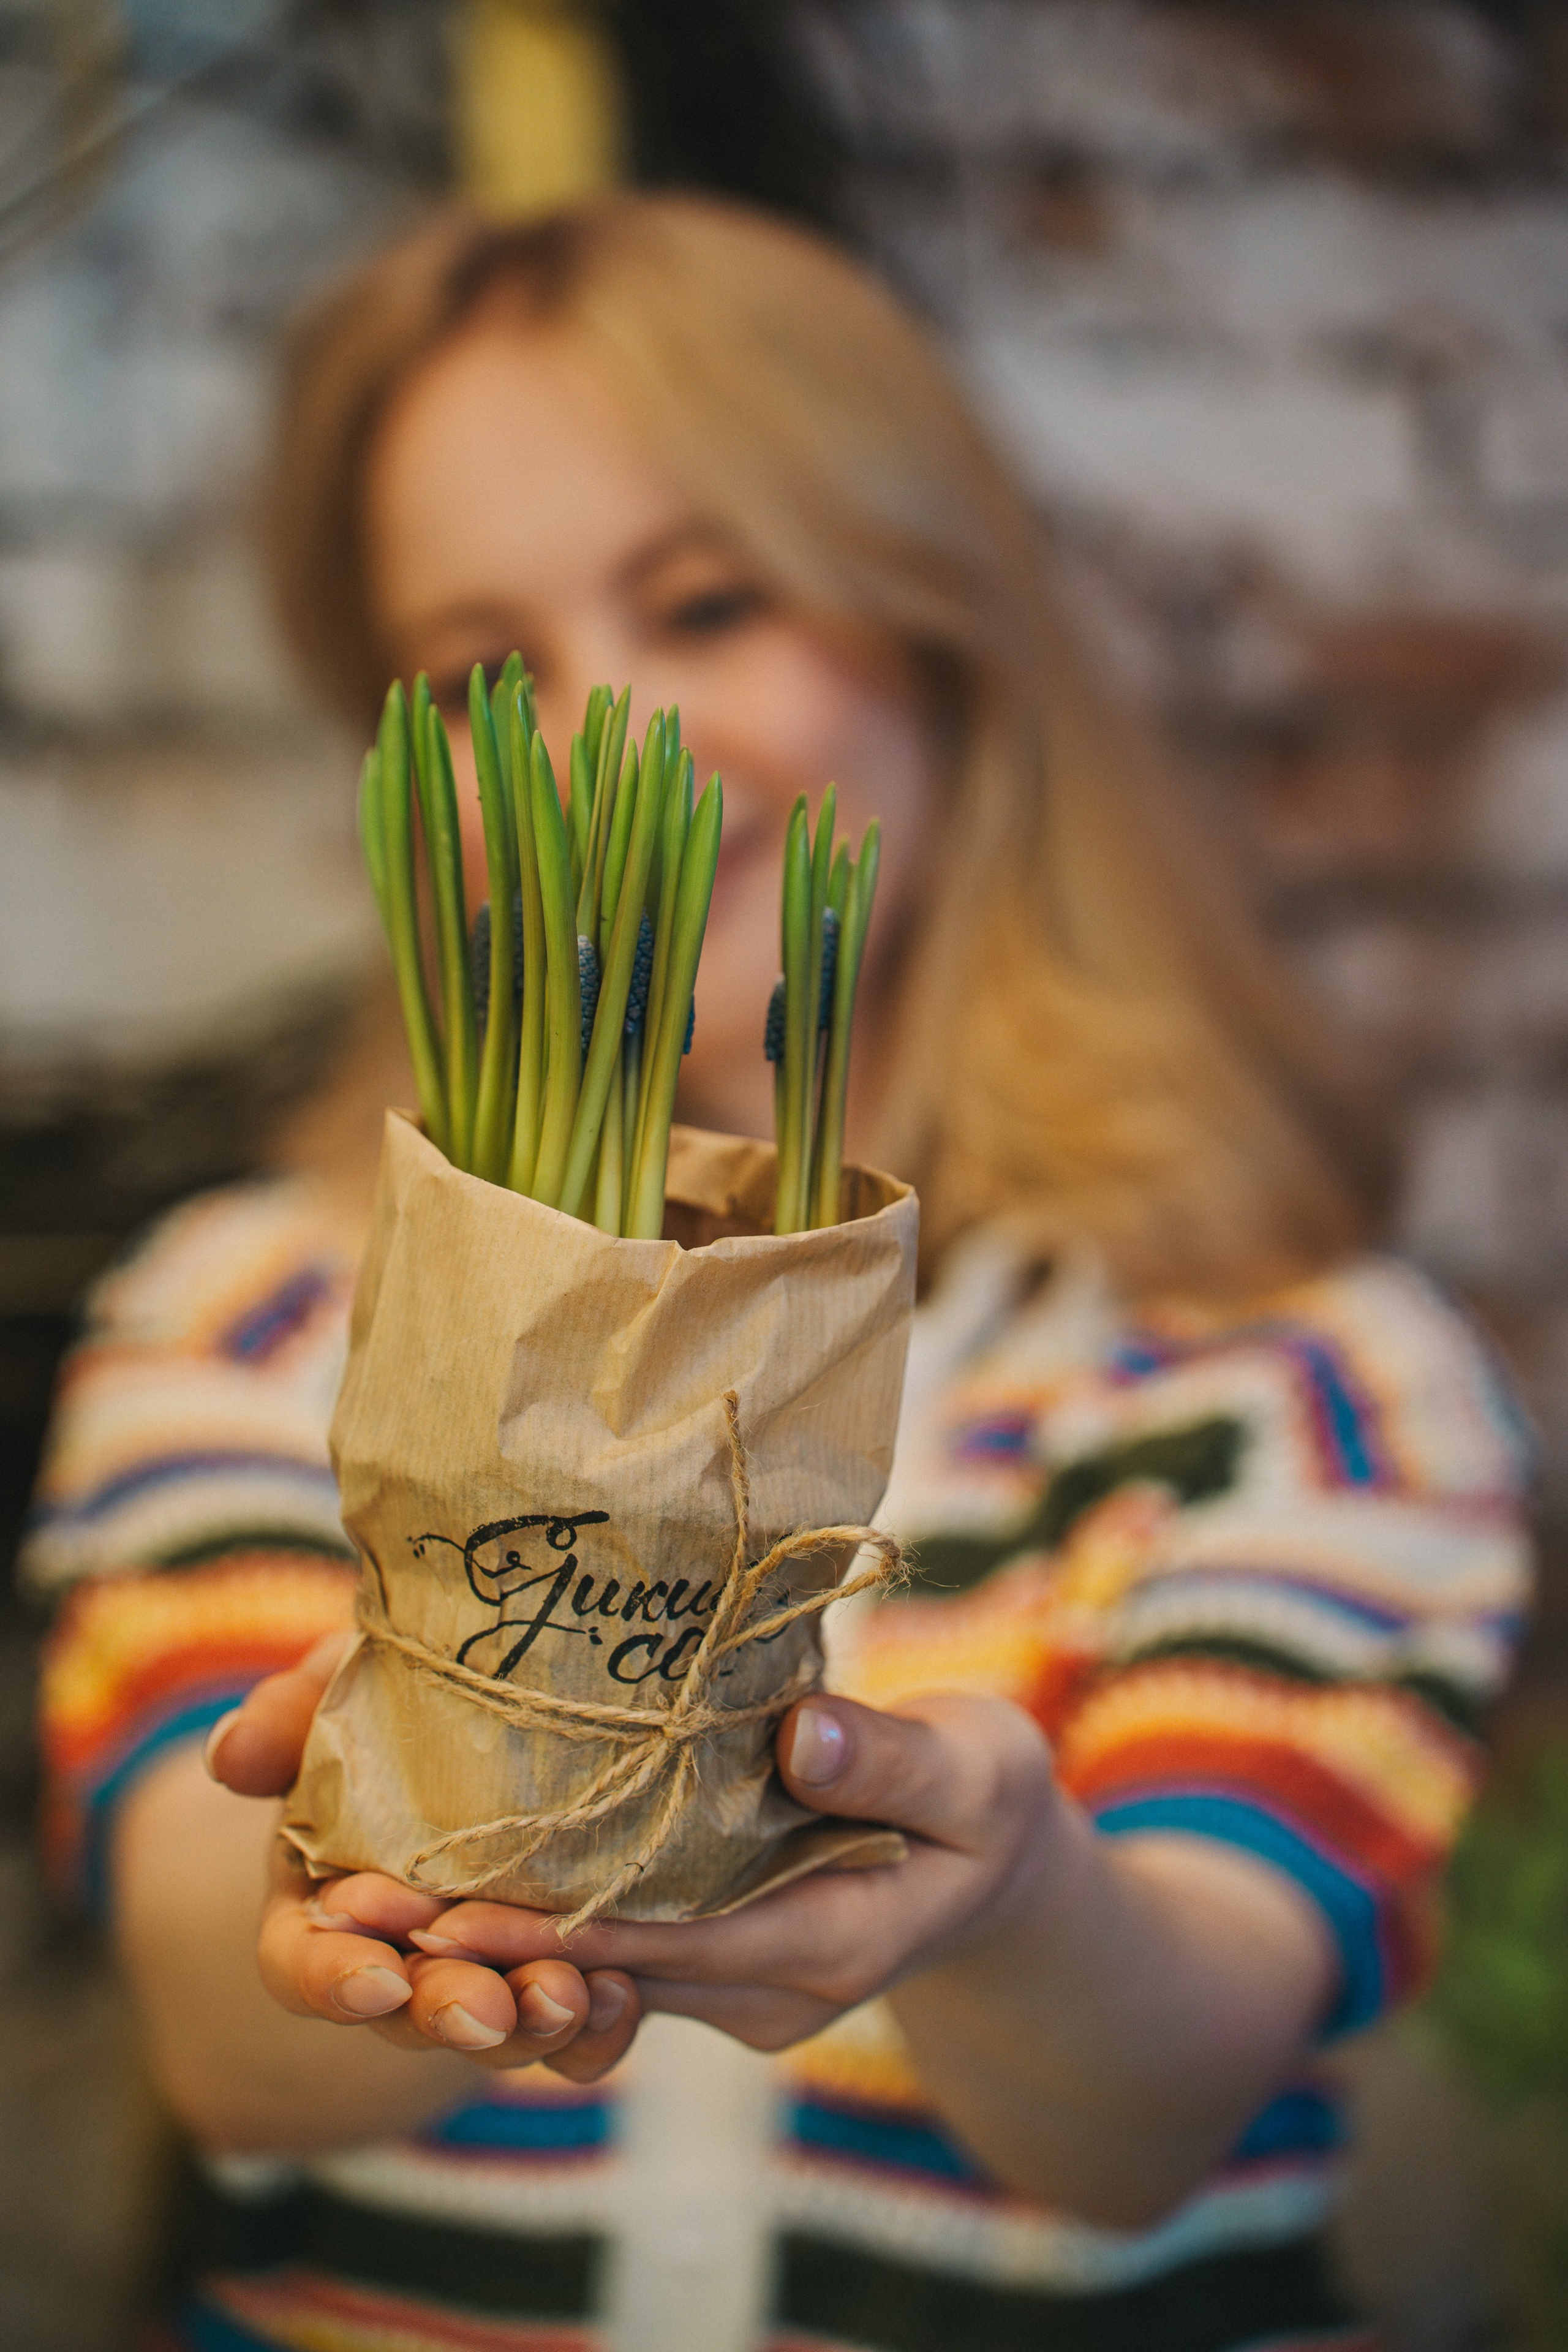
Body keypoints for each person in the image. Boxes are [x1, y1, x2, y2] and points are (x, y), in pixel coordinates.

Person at [23, 195, 1530, 2352]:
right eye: (479, 669)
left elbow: (1154, 2111)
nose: (609, 728)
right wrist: (359, 1884)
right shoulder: (249, 1319)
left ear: (942, 633)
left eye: (710, 601)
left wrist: (1013, 1899)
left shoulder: (1305, 1380)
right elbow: (229, 2040)